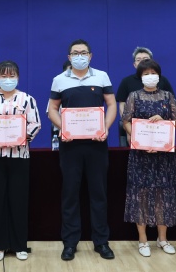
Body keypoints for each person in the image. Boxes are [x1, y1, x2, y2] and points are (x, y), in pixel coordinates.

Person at [47, 39, 117, 261]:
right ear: (69, 57)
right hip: (70, 146)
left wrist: (105, 127)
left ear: (90, 55)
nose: (80, 56)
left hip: (97, 144)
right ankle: (70, 243)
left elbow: (112, 104)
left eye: (83, 52)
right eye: (75, 53)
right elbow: (52, 109)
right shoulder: (59, 79)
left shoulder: (102, 76)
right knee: (70, 195)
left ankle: (101, 241)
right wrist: (63, 127)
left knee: (99, 194)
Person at [0, 61, 41, 262]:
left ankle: (20, 245)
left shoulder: (27, 99)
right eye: (4, 76)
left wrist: (20, 137)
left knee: (19, 200)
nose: (8, 79)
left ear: (18, 78)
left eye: (12, 76)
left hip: (19, 156)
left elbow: (35, 124)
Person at [121, 59, 176, 257]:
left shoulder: (167, 96)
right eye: (146, 73)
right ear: (140, 77)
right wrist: (139, 140)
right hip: (141, 155)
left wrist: (165, 121)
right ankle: (143, 240)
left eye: (153, 73)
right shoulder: (134, 96)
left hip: (164, 157)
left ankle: (162, 239)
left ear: (159, 75)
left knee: (163, 195)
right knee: (141, 194)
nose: (150, 76)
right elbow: (125, 121)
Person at [116, 47, 175, 147]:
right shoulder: (127, 81)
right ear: (134, 64)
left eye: (145, 59)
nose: (142, 62)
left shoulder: (162, 80)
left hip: (160, 130)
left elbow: (171, 106)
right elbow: (122, 106)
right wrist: (128, 129)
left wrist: (166, 125)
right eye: (138, 60)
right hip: (136, 129)